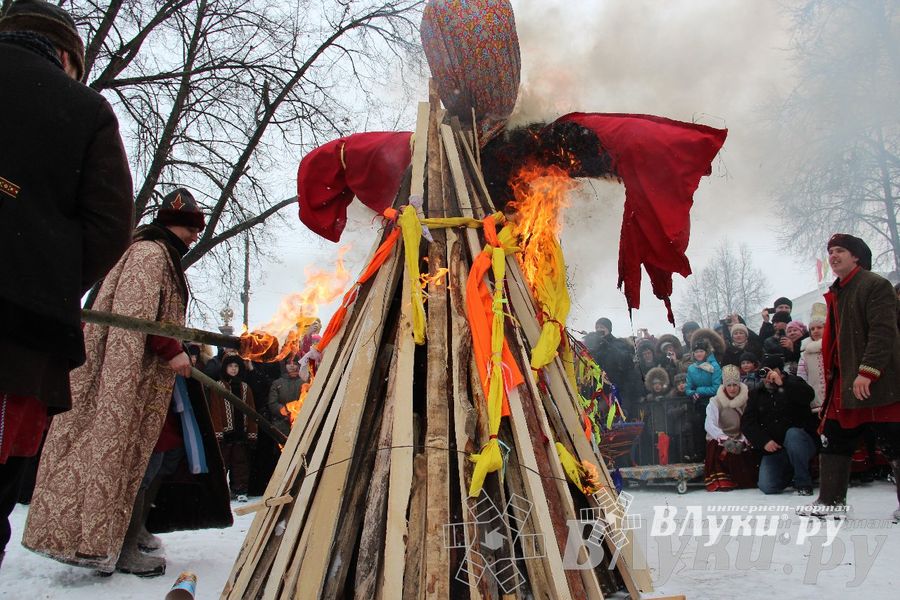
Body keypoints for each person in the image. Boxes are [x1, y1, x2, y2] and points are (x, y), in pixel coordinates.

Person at [23, 189, 231, 577]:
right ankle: (118, 545)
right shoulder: (148, 254)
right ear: (175, 224)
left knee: (166, 453)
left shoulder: (161, 256)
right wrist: (171, 348)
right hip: (130, 380)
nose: (192, 237)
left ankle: (132, 530)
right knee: (142, 456)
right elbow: (136, 312)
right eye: (190, 229)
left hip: (150, 382)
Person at [0, 0, 134, 569]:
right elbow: (109, 229)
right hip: (17, 338)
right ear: (65, 56)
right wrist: (47, 279)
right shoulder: (84, 110)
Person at [803, 234, 900, 519]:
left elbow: (884, 333)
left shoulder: (875, 284)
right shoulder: (839, 289)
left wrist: (867, 372)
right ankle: (830, 503)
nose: (833, 255)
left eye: (840, 251)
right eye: (831, 251)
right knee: (834, 438)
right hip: (845, 383)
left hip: (877, 381)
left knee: (895, 441)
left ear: (856, 256)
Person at [741, 355, 818, 495]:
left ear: (780, 371)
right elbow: (747, 423)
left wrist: (782, 383)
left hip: (801, 442)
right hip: (776, 448)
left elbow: (808, 396)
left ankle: (803, 483)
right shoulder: (756, 394)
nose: (768, 375)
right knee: (768, 486)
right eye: (764, 371)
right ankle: (790, 472)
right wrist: (764, 441)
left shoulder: (794, 382)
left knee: (793, 435)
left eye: (771, 370)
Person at [209, 356, 258, 502]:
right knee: (222, 464)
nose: (233, 369)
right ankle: (220, 491)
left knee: (240, 463)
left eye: (236, 367)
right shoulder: (218, 386)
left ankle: (240, 490)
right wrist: (218, 432)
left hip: (240, 433)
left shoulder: (245, 387)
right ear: (225, 368)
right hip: (225, 433)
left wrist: (252, 432)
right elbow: (215, 410)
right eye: (230, 366)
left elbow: (251, 410)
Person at [704, 365, 759, 491]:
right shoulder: (715, 401)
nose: (732, 388)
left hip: (741, 438)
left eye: (735, 385)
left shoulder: (747, 400)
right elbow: (710, 424)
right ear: (724, 385)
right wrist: (724, 439)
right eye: (729, 385)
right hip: (721, 439)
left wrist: (743, 440)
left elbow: (750, 422)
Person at [584, 318, 641, 414]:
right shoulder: (595, 347)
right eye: (597, 327)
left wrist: (608, 345)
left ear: (609, 329)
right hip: (599, 390)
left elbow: (625, 360)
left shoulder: (618, 343)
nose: (599, 330)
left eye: (602, 327)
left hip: (618, 389)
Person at [797, 312, 826, 413]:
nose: (815, 331)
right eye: (812, 329)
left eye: (819, 327)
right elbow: (801, 378)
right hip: (816, 400)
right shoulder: (805, 354)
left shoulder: (832, 349)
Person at [268, 362, 305, 436]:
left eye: (294, 363)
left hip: (300, 423)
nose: (292, 366)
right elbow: (272, 403)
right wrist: (283, 410)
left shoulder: (304, 383)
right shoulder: (277, 383)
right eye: (289, 363)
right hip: (281, 424)